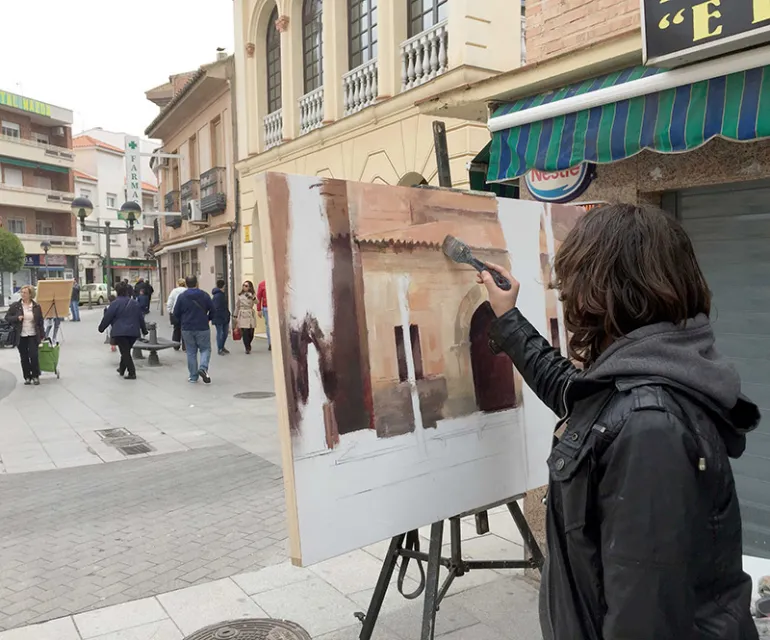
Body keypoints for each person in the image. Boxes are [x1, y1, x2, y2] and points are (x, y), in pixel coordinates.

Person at [476, 204, 759, 640]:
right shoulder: (647, 379)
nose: (566, 295)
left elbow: (643, 624)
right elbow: (572, 392)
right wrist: (508, 318)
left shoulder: (650, 426)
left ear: (604, 290)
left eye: (573, 281)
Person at [98, 283, 147, 380]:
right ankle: (121, 369)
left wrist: (101, 328)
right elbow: (140, 318)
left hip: (120, 332)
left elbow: (108, 317)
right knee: (126, 350)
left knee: (125, 352)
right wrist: (144, 330)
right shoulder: (134, 303)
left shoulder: (115, 304)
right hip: (133, 332)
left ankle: (132, 372)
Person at [173, 275, 214, 383]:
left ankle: (193, 376)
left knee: (191, 352)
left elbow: (175, 313)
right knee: (205, 349)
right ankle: (203, 367)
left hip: (187, 327)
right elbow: (213, 309)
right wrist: (208, 318)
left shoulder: (182, 296)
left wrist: (183, 321)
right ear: (197, 283)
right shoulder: (204, 295)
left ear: (186, 284)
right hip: (202, 327)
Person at [4, 285, 44, 385]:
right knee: (24, 357)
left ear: (30, 294)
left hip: (33, 334)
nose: (23, 294)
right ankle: (27, 377)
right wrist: (17, 318)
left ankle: (35, 376)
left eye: (25, 293)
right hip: (21, 335)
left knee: (34, 356)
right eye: (21, 292)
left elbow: (40, 322)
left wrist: (42, 336)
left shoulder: (36, 306)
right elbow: (7, 318)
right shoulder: (15, 306)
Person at [235, 280, 257, 354]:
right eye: (243, 285)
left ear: (250, 287)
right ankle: (247, 347)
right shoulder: (240, 296)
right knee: (245, 332)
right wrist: (235, 316)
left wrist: (253, 298)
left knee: (251, 332)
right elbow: (237, 306)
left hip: (250, 313)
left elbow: (257, 302)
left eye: (246, 286)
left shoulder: (252, 295)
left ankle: (249, 343)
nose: (244, 287)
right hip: (243, 314)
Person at [211, 279, 231, 356]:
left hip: (223, 316)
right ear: (224, 286)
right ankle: (220, 348)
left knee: (224, 333)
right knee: (221, 333)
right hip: (219, 317)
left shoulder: (221, 294)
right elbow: (217, 308)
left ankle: (222, 347)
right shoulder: (218, 296)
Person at [167, 278, 187, 351]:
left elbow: (170, 301)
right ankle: (185, 347)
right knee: (184, 329)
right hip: (185, 313)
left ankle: (176, 345)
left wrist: (170, 310)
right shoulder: (186, 291)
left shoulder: (174, 291)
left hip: (175, 313)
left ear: (178, 284)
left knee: (176, 329)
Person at [256, 279, 270, 351]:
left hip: (276, 307)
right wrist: (259, 309)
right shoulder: (262, 284)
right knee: (269, 326)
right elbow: (258, 297)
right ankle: (270, 343)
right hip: (266, 307)